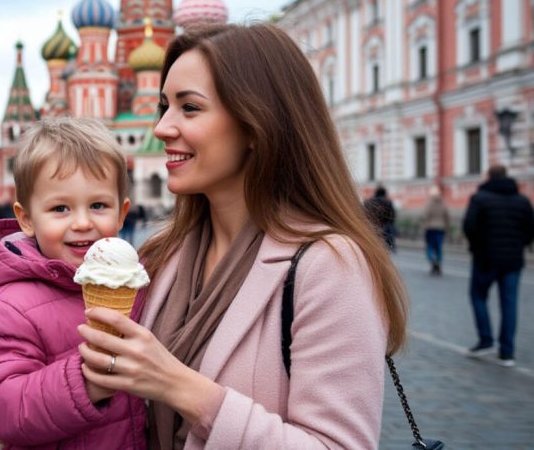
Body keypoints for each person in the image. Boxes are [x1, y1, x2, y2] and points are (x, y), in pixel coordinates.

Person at [64, 23, 407, 448]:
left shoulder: (329, 266)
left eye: (190, 108)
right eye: (164, 107)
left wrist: (180, 388)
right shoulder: (161, 255)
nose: (162, 127)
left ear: (255, 124)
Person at [0, 118, 145, 448]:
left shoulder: (137, 285)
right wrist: (86, 383)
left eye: (98, 205)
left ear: (122, 213)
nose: (82, 222)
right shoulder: (8, 307)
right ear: (26, 218)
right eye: (60, 208)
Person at [463, 164, 534, 368]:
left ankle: (486, 340)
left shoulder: (479, 198)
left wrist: (476, 247)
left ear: (488, 176)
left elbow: (469, 226)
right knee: (509, 303)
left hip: (485, 259)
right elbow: (530, 229)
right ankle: (507, 352)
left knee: (478, 297)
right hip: (513, 260)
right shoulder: (522, 200)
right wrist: (519, 245)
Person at [421, 185, 451, 276]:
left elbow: (425, 216)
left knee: (429, 247)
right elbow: (447, 217)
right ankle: (438, 262)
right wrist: (447, 227)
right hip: (441, 228)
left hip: (430, 228)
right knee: (438, 248)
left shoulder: (429, 204)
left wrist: (423, 226)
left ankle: (433, 261)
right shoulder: (443, 203)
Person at [364, 185, 397, 252]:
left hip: (372, 225)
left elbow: (365, 213)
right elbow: (392, 215)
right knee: (385, 244)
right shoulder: (388, 202)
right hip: (385, 225)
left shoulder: (370, 201)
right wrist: (391, 223)